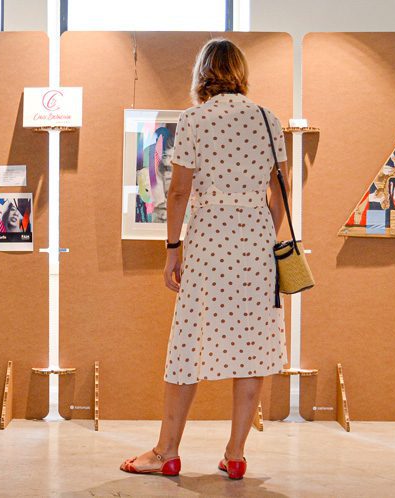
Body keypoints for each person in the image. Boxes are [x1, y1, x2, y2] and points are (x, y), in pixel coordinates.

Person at [119, 38, 290, 480]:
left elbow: (179, 191)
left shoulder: (195, 119)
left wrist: (172, 249)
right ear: (241, 72)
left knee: (187, 343)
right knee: (253, 347)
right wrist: (262, 234)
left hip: (209, 240)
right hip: (256, 242)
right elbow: (282, 190)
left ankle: (167, 452)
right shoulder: (268, 119)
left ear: (203, 73)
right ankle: (236, 454)